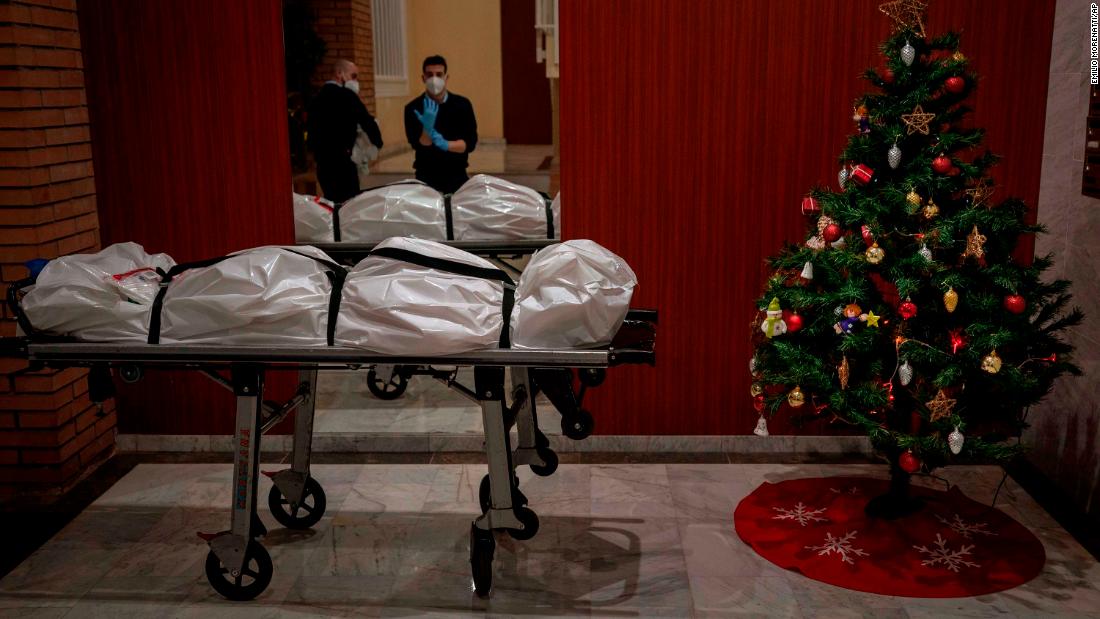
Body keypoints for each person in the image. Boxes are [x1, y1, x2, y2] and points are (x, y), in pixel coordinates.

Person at [307, 59, 383, 203]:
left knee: (332, 200)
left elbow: (311, 131)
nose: (355, 81)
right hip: (343, 162)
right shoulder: (347, 96)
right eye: (353, 76)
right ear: (340, 74)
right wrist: (377, 143)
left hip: (323, 164)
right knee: (350, 203)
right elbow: (367, 121)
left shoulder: (316, 98)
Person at [404, 55, 478, 194]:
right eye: (429, 74)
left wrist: (445, 144)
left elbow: (470, 143)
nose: (434, 79)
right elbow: (419, 146)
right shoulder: (413, 108)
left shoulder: (462, 105)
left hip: (457, 174)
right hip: (426, 176)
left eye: (439, 74)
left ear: (446, 78)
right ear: (423, 78)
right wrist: (427, 128)